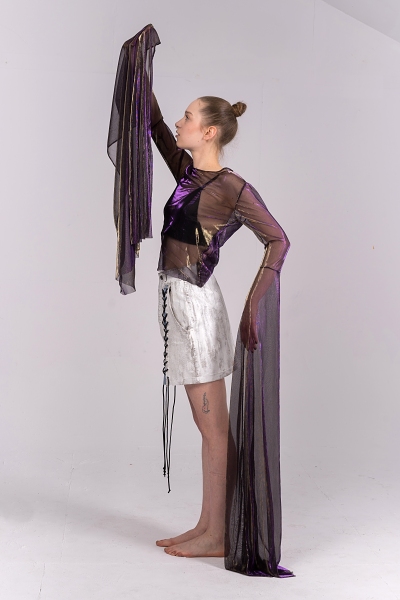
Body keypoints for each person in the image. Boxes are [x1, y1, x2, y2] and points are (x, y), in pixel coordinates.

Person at [149, 90, 290, 560]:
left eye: (188, 117)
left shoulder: (232, 186)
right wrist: (137, 68)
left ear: (209, 131)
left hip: (198, 309)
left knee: (213, 428)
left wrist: (256, 299)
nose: (179, 122)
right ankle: (209, 525)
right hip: (179, 304)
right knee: (205, 425)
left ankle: (220, 534)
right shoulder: (189, 175)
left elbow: (278, 239)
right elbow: (155, 127)